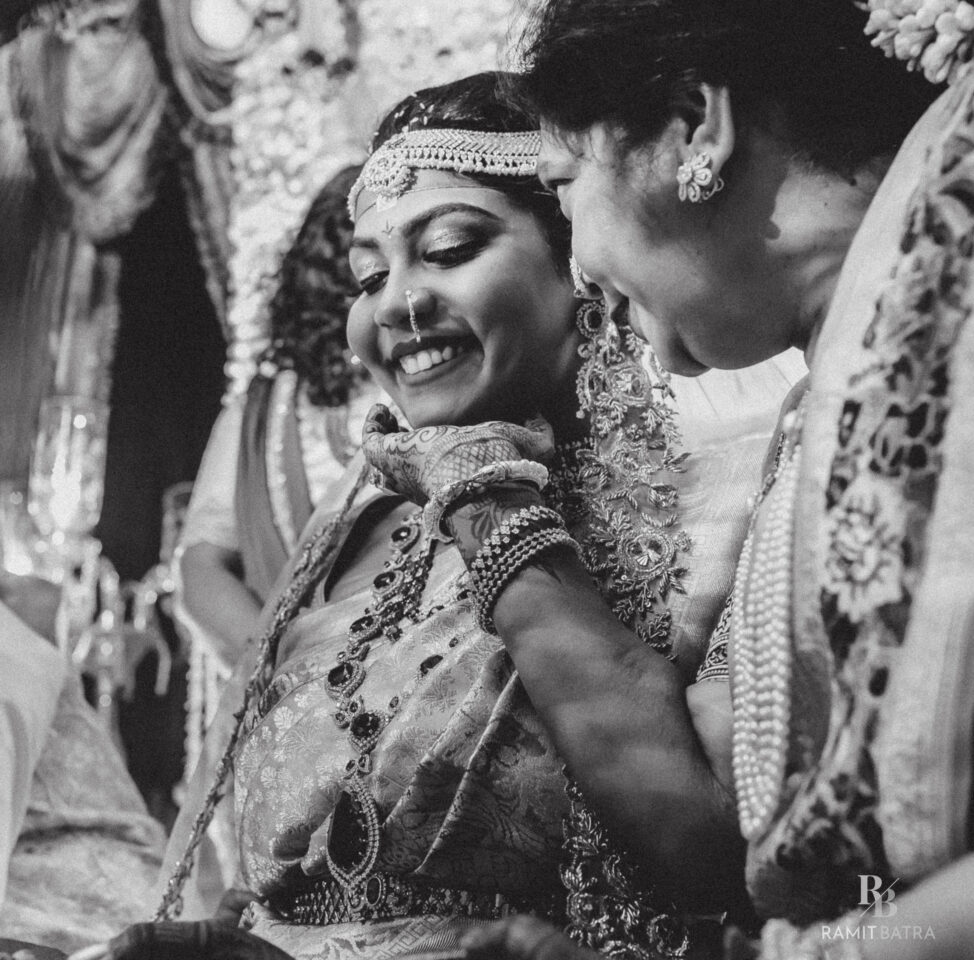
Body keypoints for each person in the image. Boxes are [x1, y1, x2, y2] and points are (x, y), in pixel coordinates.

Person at [74, 71, 798, 960]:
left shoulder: (731, 500)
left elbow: (714, 859)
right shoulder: (361, 517)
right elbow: (282, 856)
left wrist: (490, 502)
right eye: (369, 273)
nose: (396, 301)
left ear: (580, 251)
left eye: (450, 249)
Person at [371, 2, 974, 958]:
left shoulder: (948, 303)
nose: (580, 270)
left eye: (565, 188)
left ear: (697, 126)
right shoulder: (821, 409)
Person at [178, 164, 376, 667]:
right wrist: (277, 660)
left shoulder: (447, 377)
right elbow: (203, 562)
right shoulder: (268, 409)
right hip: (295, 678)